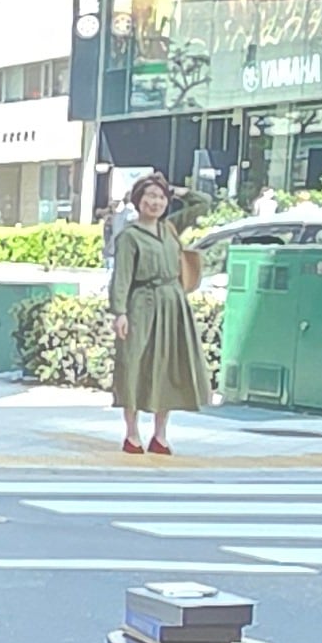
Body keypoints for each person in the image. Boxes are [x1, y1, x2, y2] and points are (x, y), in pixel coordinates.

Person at [110, 168, 207, 455]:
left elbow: (203, 204)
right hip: (141, 303)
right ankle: (132, 433)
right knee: (133, 364)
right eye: (149, 196)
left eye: (161, 197)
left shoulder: (170, 228)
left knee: (168, 366)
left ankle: (160, 435)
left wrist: (176, 190)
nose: (155, 202)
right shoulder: (130, 236)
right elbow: (121, 277)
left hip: (173, 303)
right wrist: (120, 312)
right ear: (138, 201)